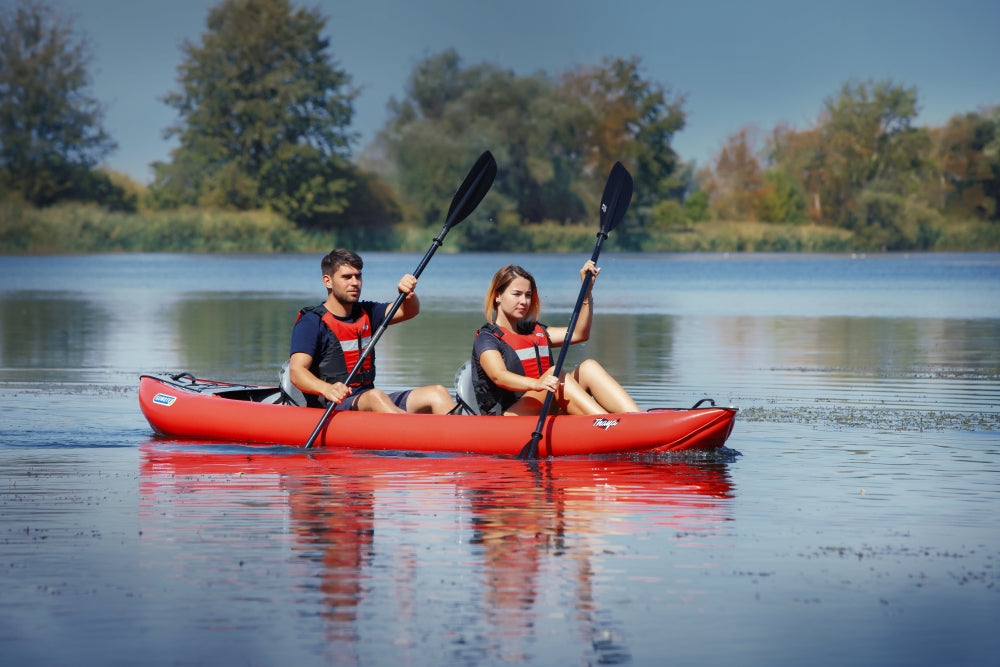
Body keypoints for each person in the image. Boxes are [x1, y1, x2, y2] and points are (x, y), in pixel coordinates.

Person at [288, 249, 456, 414]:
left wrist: (408, 295)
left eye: (358, 276)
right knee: (375, 397)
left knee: (437, 393)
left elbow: (408, 311)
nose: (355, 282)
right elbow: (296, 371)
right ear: (328, 281)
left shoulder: (367, 312)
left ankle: (457, 437)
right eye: (346, 277)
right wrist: (326, 389)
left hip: (368, 400)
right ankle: (415, 433)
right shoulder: (311, 321)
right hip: (332, 406)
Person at [471, 262, 640, 417]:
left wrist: (586, 291)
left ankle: (637, 419)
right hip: (508, 418)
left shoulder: (535, 331)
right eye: (516, 294)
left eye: (528, 295)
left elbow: (579, 334)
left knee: (588, 367)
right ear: (497, 296)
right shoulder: (488, 339)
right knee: (555, 373)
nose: (524, 301)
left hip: (542, 404)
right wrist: (537, 384)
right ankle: (609, 426)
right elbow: (498, 376)